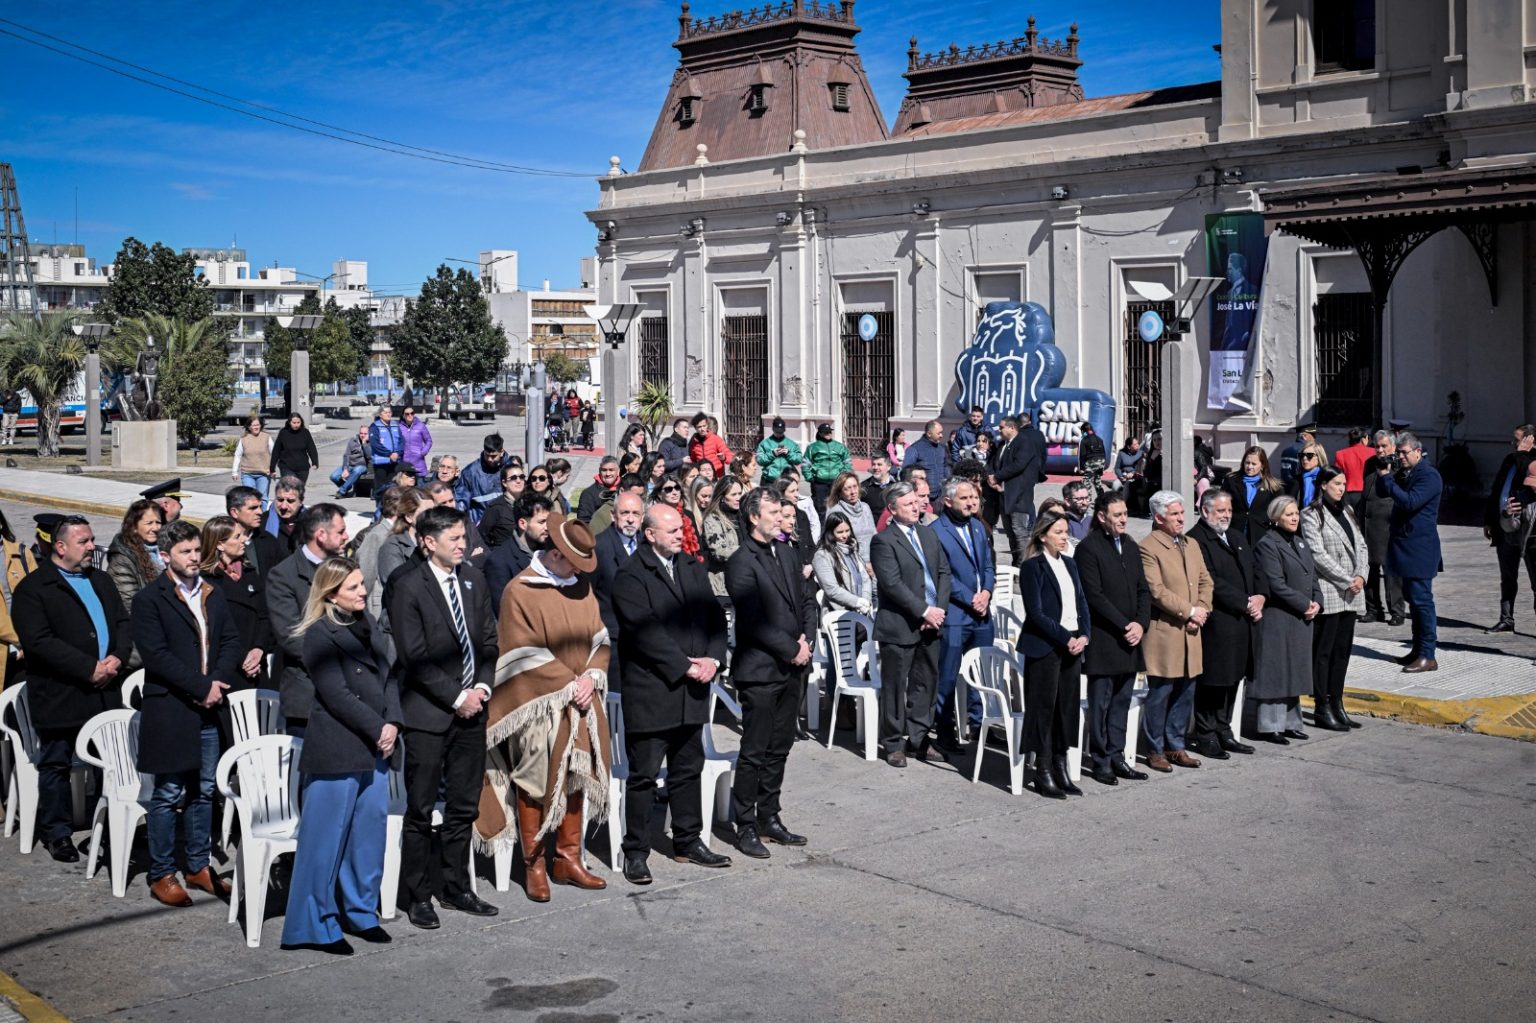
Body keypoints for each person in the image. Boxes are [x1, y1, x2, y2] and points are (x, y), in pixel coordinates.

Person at [480, 513, 611, 902]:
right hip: (537, 703)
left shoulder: (581, 586)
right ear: (555, 554)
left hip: (582, 699)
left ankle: (568, 858)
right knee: (535, 775)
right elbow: (520, 651)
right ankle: (533, 862)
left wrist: (590, 677)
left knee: (579, 773)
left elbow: (599, 635)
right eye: (574, 562)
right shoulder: (519, 590)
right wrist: (567, 684)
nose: (579, 570)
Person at [280, 557, 399, 954]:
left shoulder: (366, 624)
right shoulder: (319, 634)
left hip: (376, 747)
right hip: (338, 746)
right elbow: (337, 695)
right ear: (331, 595)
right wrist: (379, 727)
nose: (363, 592)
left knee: (368, 836)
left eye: (362, 584)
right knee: (324, 842)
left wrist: (393, 723)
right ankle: (314, 924)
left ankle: (360, 912)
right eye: (353, 587)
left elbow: (389, 676)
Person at [389, 506, 500, 927]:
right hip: (429, 715)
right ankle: (418, 894)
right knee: (420, 809)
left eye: (464, 536)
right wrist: (456, 697)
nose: (463, 544)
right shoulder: (408, 585)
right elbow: (413, 656)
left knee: (463, 806)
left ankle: (456, 887)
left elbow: (488, 640)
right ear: (428, 542)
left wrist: (482, 688)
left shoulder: (472, 579)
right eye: (454, 538)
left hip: (473, 711)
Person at [613, 504, 732, 884]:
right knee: (644, 776)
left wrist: (714, 659)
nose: (681, 535)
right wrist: (685, 666)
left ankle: (687, 840)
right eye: (672, 530)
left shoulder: (691, 567)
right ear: (650, 534)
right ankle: (636, 851)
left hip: (692, 691)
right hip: (654, 692)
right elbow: (644, 632)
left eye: (681, 528)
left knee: (687, 769)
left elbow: (715, 618)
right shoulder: (631, 575)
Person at [133, 518, 242, 907]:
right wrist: (200, 687)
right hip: (172, 708)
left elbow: (230, 640)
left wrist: (216, 682)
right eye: (186, 552)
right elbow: (157, 656)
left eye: (197, 550)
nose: (195, 557)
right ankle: (161, 872)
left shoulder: (212, 592)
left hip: (209, 707)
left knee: (204, 788)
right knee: (168, 792)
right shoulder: (150, 600)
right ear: (166, 556)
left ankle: (198, 865)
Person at [10, 515, 131, 862]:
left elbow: (123, 623)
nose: (92, 546)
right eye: (84, 542)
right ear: (60, 547)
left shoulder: (101, 580)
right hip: (61, 693)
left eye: (92, 539)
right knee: (57, 763)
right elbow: (39, 642)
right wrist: (87, 668)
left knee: (108, 763)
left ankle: (110, 826)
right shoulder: (35, 588)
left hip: (105, 689)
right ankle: (57, 832)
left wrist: (117, 659)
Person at [725, 488, 816, 856]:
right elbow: (754, 621)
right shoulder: (741, 561)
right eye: (774, 512)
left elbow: (807, 600)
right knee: (755, 749)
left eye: (782, 512)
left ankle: (769, 816)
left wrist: (807, 639)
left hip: (794, 666)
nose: (781, 518)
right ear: (754, 517)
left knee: (780, 746)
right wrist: (792, 649)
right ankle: (745, 823)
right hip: (761, 670)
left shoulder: (788, 552)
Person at [870, 481, 951, 768]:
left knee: (925, 683)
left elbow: (943, 572)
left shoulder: (928, 534)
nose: (916, 508)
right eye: (908, 504)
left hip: (931, 623)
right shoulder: (883, 541)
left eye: (917, 502)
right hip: (899, 626)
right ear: (892, 509)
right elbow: (892, 584)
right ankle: (894, 742)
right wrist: (924, 611)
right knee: (895, 686)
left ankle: (919, 738)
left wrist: (938, 610)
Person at [1074, 492, 1151, 786]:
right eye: (1117, 515)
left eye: (1125, 514)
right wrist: (1124, 625)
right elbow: (1094, 596)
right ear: (1102, 516)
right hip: (1106, 639)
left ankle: (1118, 755)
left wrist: (1140, 624)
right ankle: (1101, 759)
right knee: (1101, 704)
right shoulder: (1088, 548)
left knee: (1121, 702)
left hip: (1131, 639)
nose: (1123, 519)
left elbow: (1143, 589)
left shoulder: (1130, 545)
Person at [1138, 490, 1213, 773]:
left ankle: (1175, 745)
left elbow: (1206, 581)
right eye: (1175, 514)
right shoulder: (1148, 547)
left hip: (1191, 631)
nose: (1182, 518)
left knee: (1185, 691)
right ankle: (1155, 749)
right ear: (1159, 518)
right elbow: (1156, 591)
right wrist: (1189, 611)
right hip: (1166, 632)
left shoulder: (1191, 544)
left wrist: (1202, 610)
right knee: (1161, 692)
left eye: (1182, 513)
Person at [1186, 489, 1263, 759]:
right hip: (1218, 622)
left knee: (1234, 678)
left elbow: (1255, 569)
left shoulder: (1236, 536)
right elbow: (1211, 581)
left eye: (1229, 510)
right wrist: (1245, 602)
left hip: (1242, 622)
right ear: (1205, 511)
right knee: (1214, 680)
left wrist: (1261, 597)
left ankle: (1224, 728)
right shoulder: (1196, 539)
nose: (1226, 515)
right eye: (1220, 511)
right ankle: (1206, 733)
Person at [1019, 512, 1091, 798]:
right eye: (1058, 532)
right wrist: (1066, 637)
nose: (1064, 537)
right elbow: (1035, 613)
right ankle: (1043, 769)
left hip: (1073, 644)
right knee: (1044, 708)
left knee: (1066, 708)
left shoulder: (1070, 563)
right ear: (1042, 535)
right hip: (1046, 646)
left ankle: (1061, 766)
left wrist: (1084, 635)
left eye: (1065, 532)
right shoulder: (1032, 567)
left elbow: (1082, 602)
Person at [267, 503, 351, 734]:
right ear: (321, 535)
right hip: (308, 696)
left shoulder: (347, 569)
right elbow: (292, 637)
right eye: (341, 531)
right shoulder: (283, 576)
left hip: (350, 695)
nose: (347, 536)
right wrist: (337, 664)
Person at [1248, 497, 1321, 742]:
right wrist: (1304, 604)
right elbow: (1276, 584)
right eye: (1289, 514)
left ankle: (1291, 723)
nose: (1294, 518)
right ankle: (1271, 726)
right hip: (1278, 617)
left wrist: (1317, 602)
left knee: (1295, 670)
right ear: (1276, 517)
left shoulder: (1300, 542)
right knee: (1275, 672)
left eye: (1296, 513)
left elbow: (1312, 576)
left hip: (1300, 618)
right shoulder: (1267, 544)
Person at [1302, 466, 1369, 731]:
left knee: (1342, 651)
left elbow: (1361, 545)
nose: (1341, 488)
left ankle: (1337, 701)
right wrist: (1346, 579)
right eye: (1336, 484)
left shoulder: (1348, 511)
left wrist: (1361, 575)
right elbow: (1317, 554)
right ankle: (1322, 705)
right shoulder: (1311, 515)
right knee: (1324, 651)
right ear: (1323, 485)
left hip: (1352, 592)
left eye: (1343, 484)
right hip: (1330, 589)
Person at [930, 477, 994, 750]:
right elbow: (942, 574)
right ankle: (945, 729)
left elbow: (988, 565)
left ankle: (979, 725)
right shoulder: (936, 531)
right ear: (948, 501)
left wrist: (987, 592)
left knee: (981, 673)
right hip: (956, 615)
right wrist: (971, 599)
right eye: (964, 498)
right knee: (948, 674)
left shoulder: (978, 526)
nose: (971, 503)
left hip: (982, 614)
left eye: (974, 497)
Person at [1378, 431, 1444, 673]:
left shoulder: (1429, 475)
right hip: (1404, 546)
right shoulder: (1406, 472)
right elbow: (1383, 492)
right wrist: (1384, 472)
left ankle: (1428, 655)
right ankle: (1417, 650)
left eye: (1404, 453)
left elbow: (1409, 502)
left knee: (1422, 601)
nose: (1400, 457)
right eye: (1398, 453)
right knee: (1412, 600)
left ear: (1418, 451)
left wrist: (1388, 479)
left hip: (1419, 548)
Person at [201, 516, 273, 691]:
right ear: (220, 544)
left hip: (257, 663)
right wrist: (243, 658)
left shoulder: (249, 572)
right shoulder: (207, 580)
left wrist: (259, 649)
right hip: (228, 667)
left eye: (243, 535)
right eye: (237, 537)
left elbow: (265, 615)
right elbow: (212, 628)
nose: (244, 540)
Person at [1485, 424, 1536, 632]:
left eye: (1516, 439)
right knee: (1507, 577)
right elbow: (1498, 489)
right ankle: (1507, 618)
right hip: (1506, 525)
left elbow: (1527, 480)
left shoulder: (1527, 460)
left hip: (1530, 531)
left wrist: (1522, 453)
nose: (1513, 444)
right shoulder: (1512, 459)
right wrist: (1489, 520)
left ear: (1530, 440)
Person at [1359, 431, 1406, 626]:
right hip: (1368, 523)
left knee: (1391, 571)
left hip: (1388, 525)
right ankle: (1373, 609)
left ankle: (1396, 611)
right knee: (1369, 568)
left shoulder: (1399, 466)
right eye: (1377, 446)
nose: (1379, 450)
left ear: (1393, 447)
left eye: (1384, 446)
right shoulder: (1370, 463)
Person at [990, 416, 1043, 567]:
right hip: (1003, 494)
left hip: (1019, 495)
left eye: (1002, 427)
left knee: (1019, 531)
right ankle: (1016, 564)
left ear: (1012, 427)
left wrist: (997, 477)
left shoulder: (1024, 442)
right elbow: (995, 464)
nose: (999, 430)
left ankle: (1024, 566)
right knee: (1010, 533)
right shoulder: (1003, 444)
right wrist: (991, 477)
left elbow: (1018, 465)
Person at [484, 493, 553, 608]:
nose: (547, 527)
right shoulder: (499, 561)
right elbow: (503, 608)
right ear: (522, 524)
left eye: (549, 521)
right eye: (541, 522)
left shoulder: (551, 550)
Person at [1, 509, 39, 693]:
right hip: (16, 643)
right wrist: (23, 639)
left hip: (28, 645)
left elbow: (38, 599)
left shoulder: (22, 553)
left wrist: (35, 638)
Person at [107, 499, 165, 616]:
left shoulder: (166, 549)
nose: (155, 528)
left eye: (158, 522)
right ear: (134, 527)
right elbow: (129, 604)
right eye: (149, 523)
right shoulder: (122, 559)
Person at [813, 511, 874, 615]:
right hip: (838, 614)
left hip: (861, 611)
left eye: (847, 531)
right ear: (830, 533)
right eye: (840, 532)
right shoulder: (822, 556)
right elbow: (831, 589)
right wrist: (857, 602)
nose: (845, 535)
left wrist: (865, 600)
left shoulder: (852, 549)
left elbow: (865, 578)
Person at [1223, 445, 1283, 545]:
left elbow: (1279, 512)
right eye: (1247, 463)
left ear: (1262, 465)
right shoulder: (1231, 480)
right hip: (1235, 531)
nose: (1249, 467)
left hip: (1260, 534)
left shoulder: (1273, 486)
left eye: (1254, 464)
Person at [701, 477, 744, 600]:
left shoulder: (743, 514)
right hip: (723, 585)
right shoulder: (712, 519)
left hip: (744, 580)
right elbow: (719, 551)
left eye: (740, 493)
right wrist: (747, 551)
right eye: (733, 494)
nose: (738, 498)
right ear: (722, 497)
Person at [226, 485, 284, 577]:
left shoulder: (269, 540)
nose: (260, 512)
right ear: (234, 512)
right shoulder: (220, 542)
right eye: (253, 508)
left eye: (260, 507)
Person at [455, 434, 512, 523]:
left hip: (505, 523)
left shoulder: (511, 469)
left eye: (493, 456)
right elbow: (461, 500)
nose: (489, 459)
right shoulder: (470, 472)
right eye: (487, 455)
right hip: (479, 525)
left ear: (501, 452)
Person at [825, 471, 876, 564]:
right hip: (852, 562)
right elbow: (832, 542)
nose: (853, 492)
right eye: (847, 489)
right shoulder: (836, 511)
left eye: (855, 487)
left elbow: (874, 534)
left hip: (873, 559)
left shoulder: (865, 507)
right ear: (840, 493)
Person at [478, 463, 530, 548]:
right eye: (513, 478)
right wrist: (494, 553)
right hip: (504, 554)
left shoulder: (528, 504)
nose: (518, 481)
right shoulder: (496, 507)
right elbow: (482, 536)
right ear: (504, 483)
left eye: (521, 477)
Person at [805, 423, 852, 510]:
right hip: (819, 483)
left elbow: (847, 461)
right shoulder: (812, 447)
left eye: (830, 432)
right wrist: (810, 478)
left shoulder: (840, 446)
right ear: (820, 433)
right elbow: (805, 463)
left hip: (836, 482)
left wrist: (845, 475)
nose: (829, 434)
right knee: (819, 507)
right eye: (826, 432)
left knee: (838, 506)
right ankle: (820, 519)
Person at [231, 416, 275, 505]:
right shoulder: (244, 439)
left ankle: (262, 514)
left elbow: (274, 454)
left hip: (263, 474)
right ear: (249, 427)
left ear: (261, 425)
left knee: (262, 498)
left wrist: (273, 469)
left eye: (258, 425)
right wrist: (234, 472)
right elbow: (238, 455)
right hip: (247, 474)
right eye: (253, 425)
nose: (256, 427)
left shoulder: (266, 437)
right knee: (248, 497)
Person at [1333, 427, 1375, 515]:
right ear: (1364, 439)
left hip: (1349, 494)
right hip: (1370, 494)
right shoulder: (1374, 452)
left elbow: (1336, 476)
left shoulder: (1341, 454)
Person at [270, 413, 320, 485]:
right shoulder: (283, 433)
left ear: (301, 422)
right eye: (294, 423)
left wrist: (315, 462)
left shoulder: (305, 433)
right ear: (289, 422)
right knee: (291, 487)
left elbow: (311, 448)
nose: (296, 425)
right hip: (286, 467)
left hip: (303, 468)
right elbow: (276, 451)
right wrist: (272, 468)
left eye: (298, 422)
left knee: (299, 490)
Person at [263, 477, 307, 555]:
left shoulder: (312, 523)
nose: (283, 506)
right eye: (280, 500)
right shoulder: (262, 522)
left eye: (290, 501)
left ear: (301, 501)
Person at [902, 419, 949, 490]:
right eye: (939, 433)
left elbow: (947, 467)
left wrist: (948, 482)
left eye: (941, 432)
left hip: (942, 492)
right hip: (924, 492)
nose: (941, 435)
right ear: (929, 434)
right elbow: (907, 471)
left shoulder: (942, 448)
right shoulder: (914, 449)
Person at [368, 405, 404, 492]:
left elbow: (402, 441)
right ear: (380, 415)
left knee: (392, 485)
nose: (388, 414)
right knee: (381, 487)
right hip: (381, 461)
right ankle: (379, 500)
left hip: (394, 460)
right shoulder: (375, 426)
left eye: (389, 412)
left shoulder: (395, 425)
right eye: (385, 412)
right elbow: (375, 444)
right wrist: (389, 454)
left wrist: (397, 453)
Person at [756, 417, 803, 482]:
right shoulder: (764, 443)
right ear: (773, 429)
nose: (779, 434)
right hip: (769, 480)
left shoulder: (792, 444)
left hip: (786, 480)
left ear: (784, 430)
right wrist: (772, 454)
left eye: (781, 432)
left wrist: (788, 453)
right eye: (777, 432)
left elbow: (799, 459)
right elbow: (759, 460)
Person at [578, 456, 621, 525]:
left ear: (618, 471)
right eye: (604, 470)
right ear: (599, 471)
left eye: (611, 470)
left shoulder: (625, 489)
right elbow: (583, 521)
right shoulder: (588, 494)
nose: (608, 474)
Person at [331, 424, 370, 498]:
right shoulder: (353, 441)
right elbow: (346, 455)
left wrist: (364, 443)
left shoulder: (371, 442)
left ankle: (342, 491)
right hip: (350, 465)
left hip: (363, 466)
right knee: (334, 476)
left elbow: (369, 455)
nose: (363, 435)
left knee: (357, 470)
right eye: (361, 433)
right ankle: (346, 486)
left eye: (365, 434)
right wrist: (345, 469)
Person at [1286, 441, 1329, 508]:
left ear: (1319, 457)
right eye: (1302, 455)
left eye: (1309, 455)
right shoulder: (1296, 480)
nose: (1304, 458)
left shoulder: (1327, 478)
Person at [398, 405, 433, 476]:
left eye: (412, 413)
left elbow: (428, 440)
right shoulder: (398, 427)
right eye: (407, 414)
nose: (410, 415)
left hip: (419, 463)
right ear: (403, 415)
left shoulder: (421, 426)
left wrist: (423, 452)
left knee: (420, 482)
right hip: (404, 463)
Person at [1061, 480, 1094, 548]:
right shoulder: (1062, 522)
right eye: (1079, 499)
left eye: (1086, 498)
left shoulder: (1092, 520)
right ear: (1067, 501)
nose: (1085, 503)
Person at [861, 454, 896, 518]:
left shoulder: (897, 486)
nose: (875, 467)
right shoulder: (863, 487)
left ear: (889, 467)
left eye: (879, 464)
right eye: (873, 464)